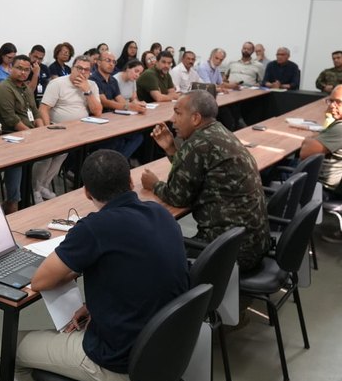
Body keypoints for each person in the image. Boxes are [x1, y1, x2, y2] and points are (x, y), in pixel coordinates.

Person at [9, 149, 188, 381]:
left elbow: (40, 281)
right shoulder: (160, 213)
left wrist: (77, 266)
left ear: (86, 192)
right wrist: (96, 306)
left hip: (122, 365)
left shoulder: (94, 228)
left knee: (7, 348)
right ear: (131, 181)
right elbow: (141, 275)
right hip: (169, 350)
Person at [141, 91, 271, 271]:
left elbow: (177, 197)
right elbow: (194, 171)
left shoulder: (199, 143)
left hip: (230, 253)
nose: (172, 119)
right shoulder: (218, 131)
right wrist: (171, 149)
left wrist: (154, 184)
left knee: (152, 255)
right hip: (253, 243)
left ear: (195, 118)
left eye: (178, 113)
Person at [37, 56, 102, 199]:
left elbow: (97, 111)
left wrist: (87, 91)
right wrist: (47, 130)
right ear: (72, 68)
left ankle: (44, 186)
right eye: (79, 68)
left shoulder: (91, 85)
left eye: (86, 70)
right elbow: (43, 109)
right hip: (57, 129)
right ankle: (36, 189)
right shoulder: (57, 83)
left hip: (81, 131)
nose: (82, 72)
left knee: (63, 156)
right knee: (50, 156)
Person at [0, 55, 46, 213]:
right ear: (11, 68)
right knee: (17, 162)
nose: (23, 72)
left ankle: (38, 188)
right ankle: (13, 202)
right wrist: (33, 134)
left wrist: (42, 132)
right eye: (19, 68)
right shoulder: (4, 89)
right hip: (12, 136)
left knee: (59, 151)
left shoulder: (25, 88)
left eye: (27, 70)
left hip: (30, 134)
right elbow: (11, 119)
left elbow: (35, 112)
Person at [299, 85, 342, 242]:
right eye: (331, 101)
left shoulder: (340, 129)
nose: (332, 106)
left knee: (272, 174)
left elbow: (305, 152)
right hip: (334, 186)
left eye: (338, 102)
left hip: (324, 188)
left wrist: (309, 139)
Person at [89, 52, 144, 158]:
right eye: (108, 61)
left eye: (114, 62)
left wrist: (135, 107)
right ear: (99, 62)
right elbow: (105, 102)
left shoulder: (113, 80)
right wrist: (128, 106)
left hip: (113, 118)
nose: (111, 64)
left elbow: (120, 99)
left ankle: (118, 162)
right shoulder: (93, 79)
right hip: (98, 119)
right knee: (118, 141)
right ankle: (116, 163)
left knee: (137, 137)